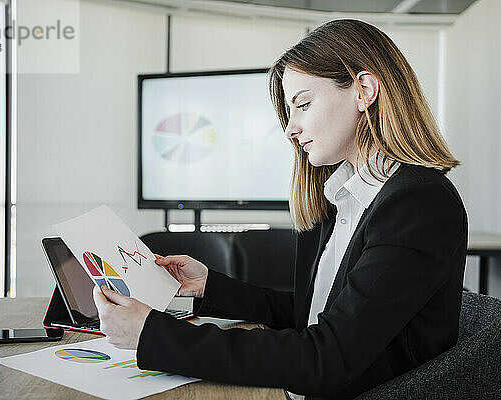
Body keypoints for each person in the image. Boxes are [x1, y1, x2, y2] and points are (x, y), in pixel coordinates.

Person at [92, 19, 468, 400]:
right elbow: (320, 311)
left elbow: (326, 358)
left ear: (364, 90)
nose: (290, 129)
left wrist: (152, 334)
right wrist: (212, 286)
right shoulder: (342, 197)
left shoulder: (418, 204)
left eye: (303, 104)